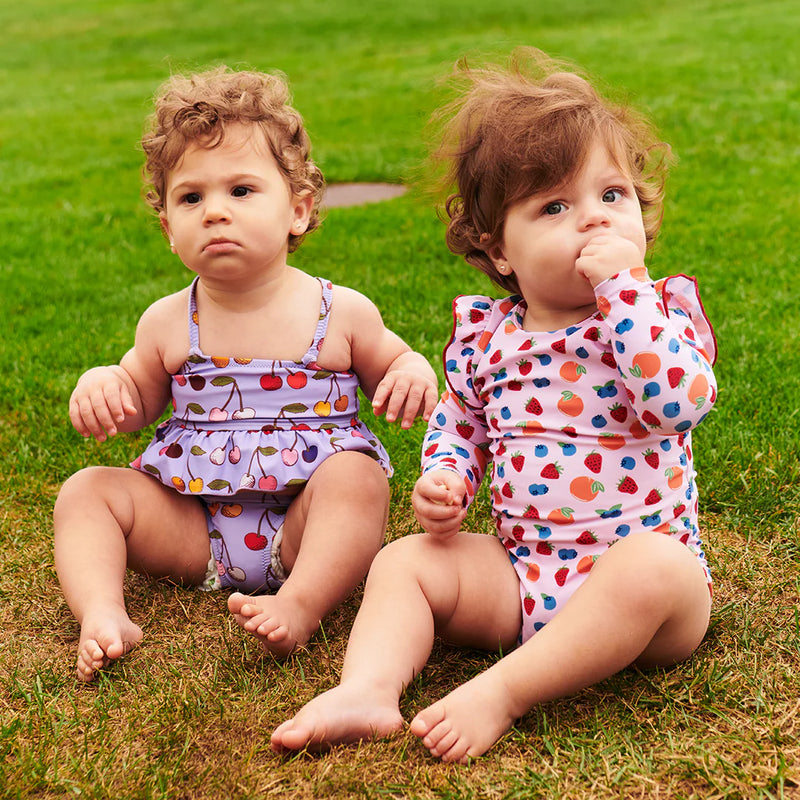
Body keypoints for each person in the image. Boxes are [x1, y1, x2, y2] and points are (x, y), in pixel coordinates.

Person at [269, 48, 718, 763]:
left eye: (613, 195)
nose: (596, 221)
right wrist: (447, 478)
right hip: (524, 576)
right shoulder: (489, 338)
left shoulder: (656, 314)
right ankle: (368, 687)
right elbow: (461, 425)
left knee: (656, 565)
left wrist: (626, 292)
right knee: (407, 563)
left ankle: (503, 692)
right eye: (555, 206)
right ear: (498, 250)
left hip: (648, 602)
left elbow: (681, 404)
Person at [53, 67, 438, 683]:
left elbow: (392, 360)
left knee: (359, 480)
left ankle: (301, 602)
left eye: (241, 191)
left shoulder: (339, 311)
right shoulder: (167, 323)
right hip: (193, 526)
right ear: (168, 229)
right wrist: (104, 384)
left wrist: (412, 369)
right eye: (191, 198)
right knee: (85, 492)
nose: (214, 213)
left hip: (303, 525)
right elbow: (136, 402)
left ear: (299, 211)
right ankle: (102, 612)